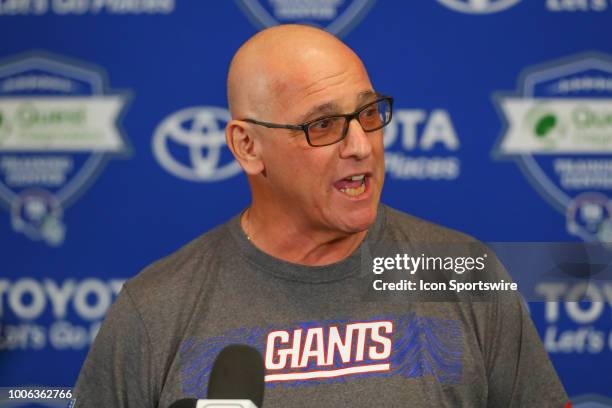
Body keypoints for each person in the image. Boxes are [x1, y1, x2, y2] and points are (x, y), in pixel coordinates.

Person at [74, 25, 568, 407]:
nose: (361, 146)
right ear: (247, 146)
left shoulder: (464, 273)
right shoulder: (155, 308)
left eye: (369, 114)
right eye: (324, 124)